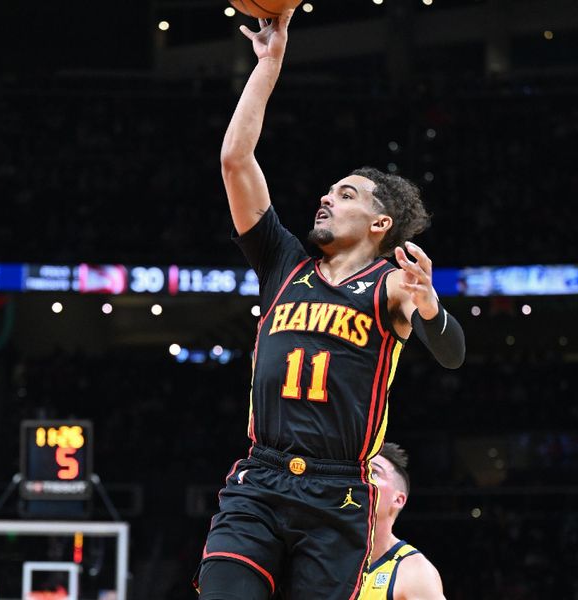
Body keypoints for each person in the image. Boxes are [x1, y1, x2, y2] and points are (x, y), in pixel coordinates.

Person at [194, 10, 464, 600]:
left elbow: (451, 353)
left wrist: (430, 306)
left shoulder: (389, 284)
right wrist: (268, 66)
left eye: (345, 194)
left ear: (379, 222)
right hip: (260, 477)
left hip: (338, 493)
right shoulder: (281, 261)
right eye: (329, 189)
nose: (325, 196)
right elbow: (235, 162)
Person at [360, 442, 446, 600]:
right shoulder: (323, 557)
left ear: (398, 499)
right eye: (357, 472)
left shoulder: (415, 573)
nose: (360, 480)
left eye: (373, 472)